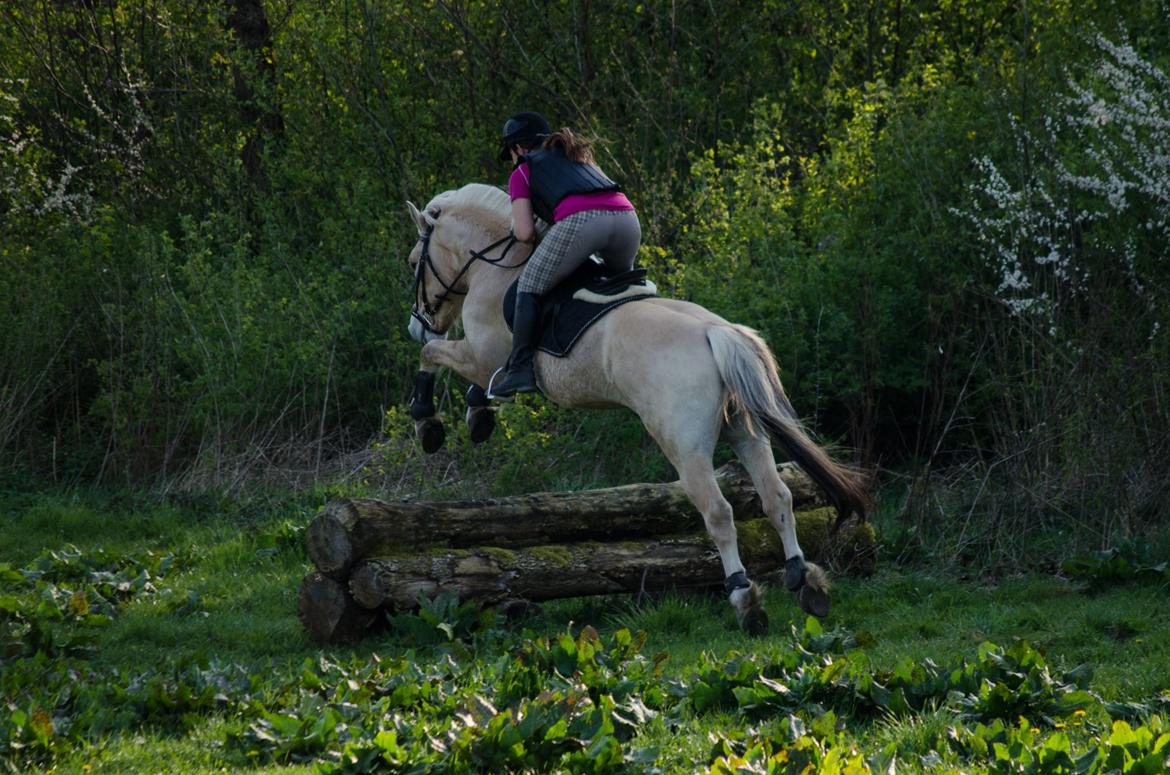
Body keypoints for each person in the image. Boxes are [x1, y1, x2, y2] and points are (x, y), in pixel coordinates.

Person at [489, 111, 642, 398]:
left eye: (510, 152)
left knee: (528, 287)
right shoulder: (578, 157)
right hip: (627, 220)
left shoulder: (522, 170)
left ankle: (520, 370)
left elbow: (524, 233)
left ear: (518, 148)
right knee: (622, 288)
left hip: (584, 223)